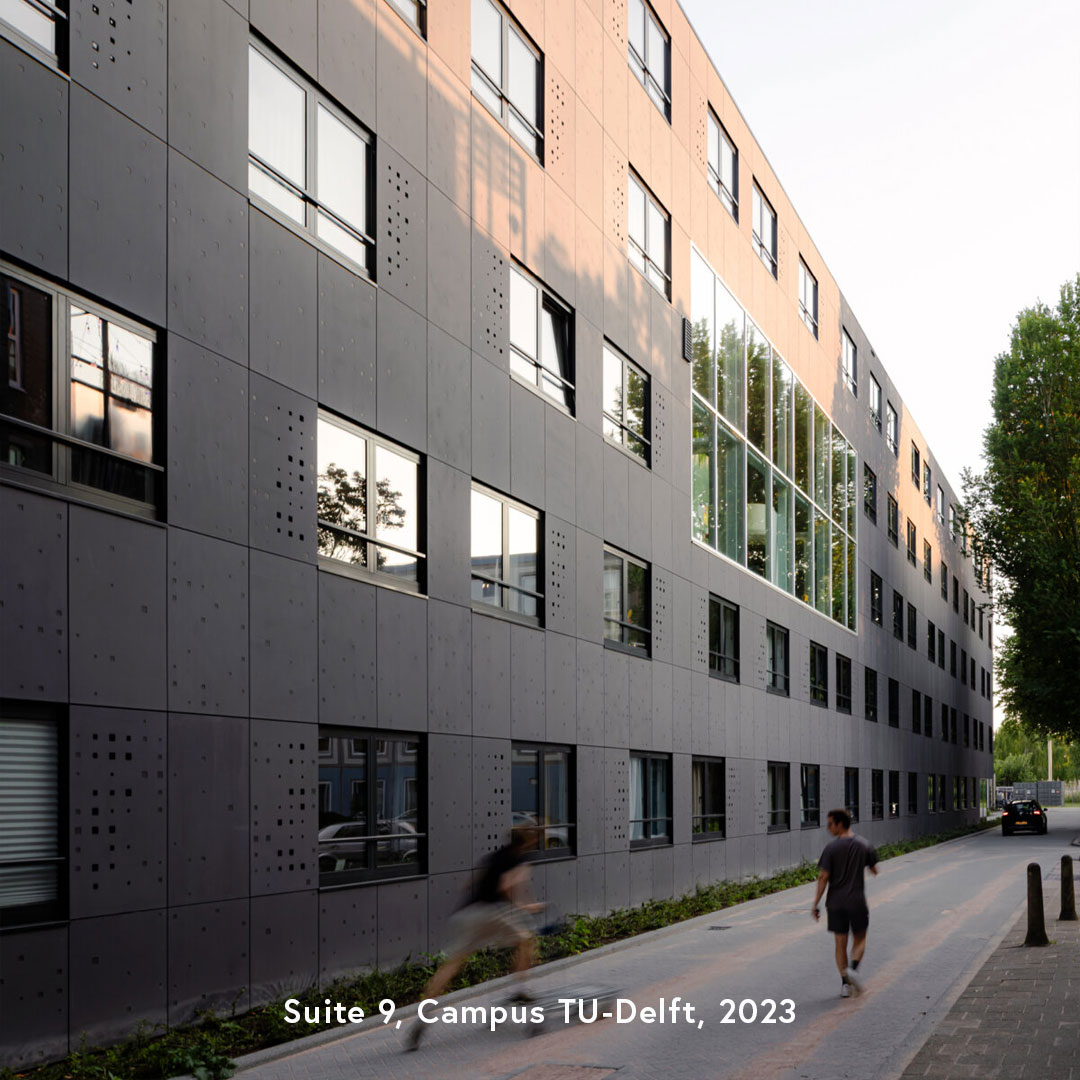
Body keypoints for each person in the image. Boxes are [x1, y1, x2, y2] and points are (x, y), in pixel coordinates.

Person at [405, 826, 544, 1050]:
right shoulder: (520, 860)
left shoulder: (493, 857)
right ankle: (520, 988)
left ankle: (424, 1014)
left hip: (467, 913)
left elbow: (470, 883)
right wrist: (529, 906)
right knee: (526, 939)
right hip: (492, 912)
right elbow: (506, 885)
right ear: (529, 842)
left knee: (451, 965)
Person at [811, 807, 878, 998]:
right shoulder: (864, 844)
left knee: (840, 943)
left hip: (835, 903)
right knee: (860, 939)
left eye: (830, 824)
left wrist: (815, 903)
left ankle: (845, 984)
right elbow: (874, 870)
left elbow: (823, 877)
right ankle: (853, 969)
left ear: (840, 824)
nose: (828, 828)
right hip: (857, 901)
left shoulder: (830, 848)